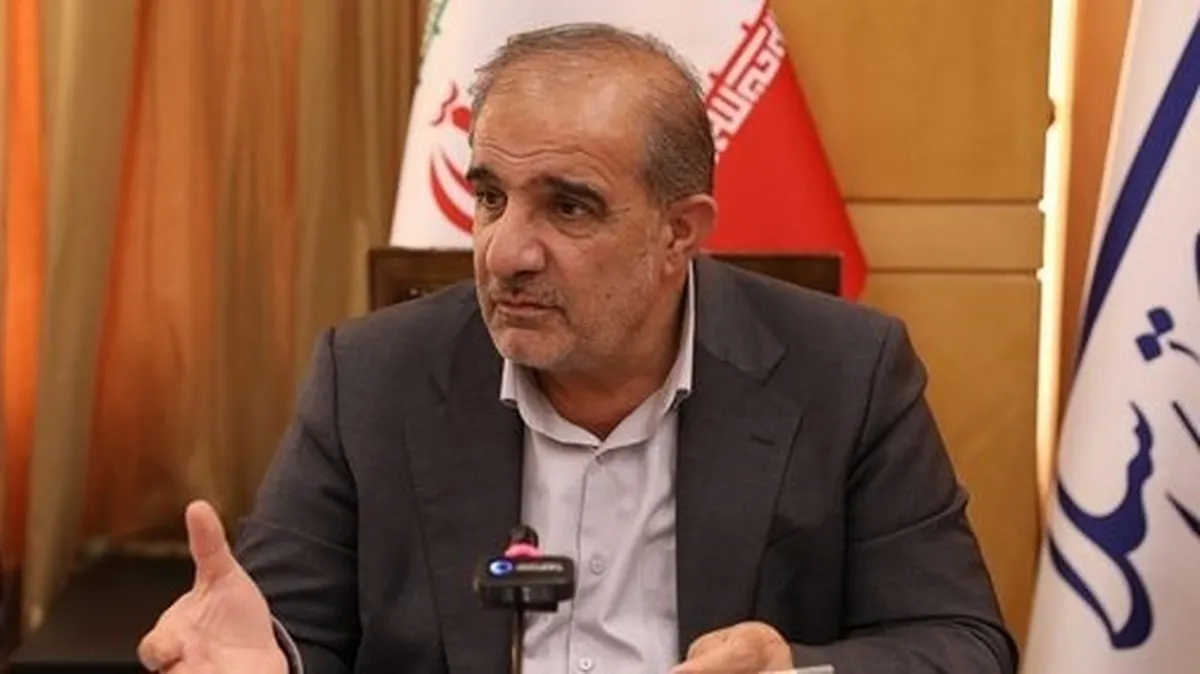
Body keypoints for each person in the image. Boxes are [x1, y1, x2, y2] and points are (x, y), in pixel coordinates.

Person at [137, 22, 1018, 674]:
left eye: (569, 206)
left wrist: (793, 672)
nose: (504, 253)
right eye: (490, 197)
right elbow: (285, 634)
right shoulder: (371, 377)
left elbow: (961, 646)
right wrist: (270, 664)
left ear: (679, 233)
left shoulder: (845, 374)